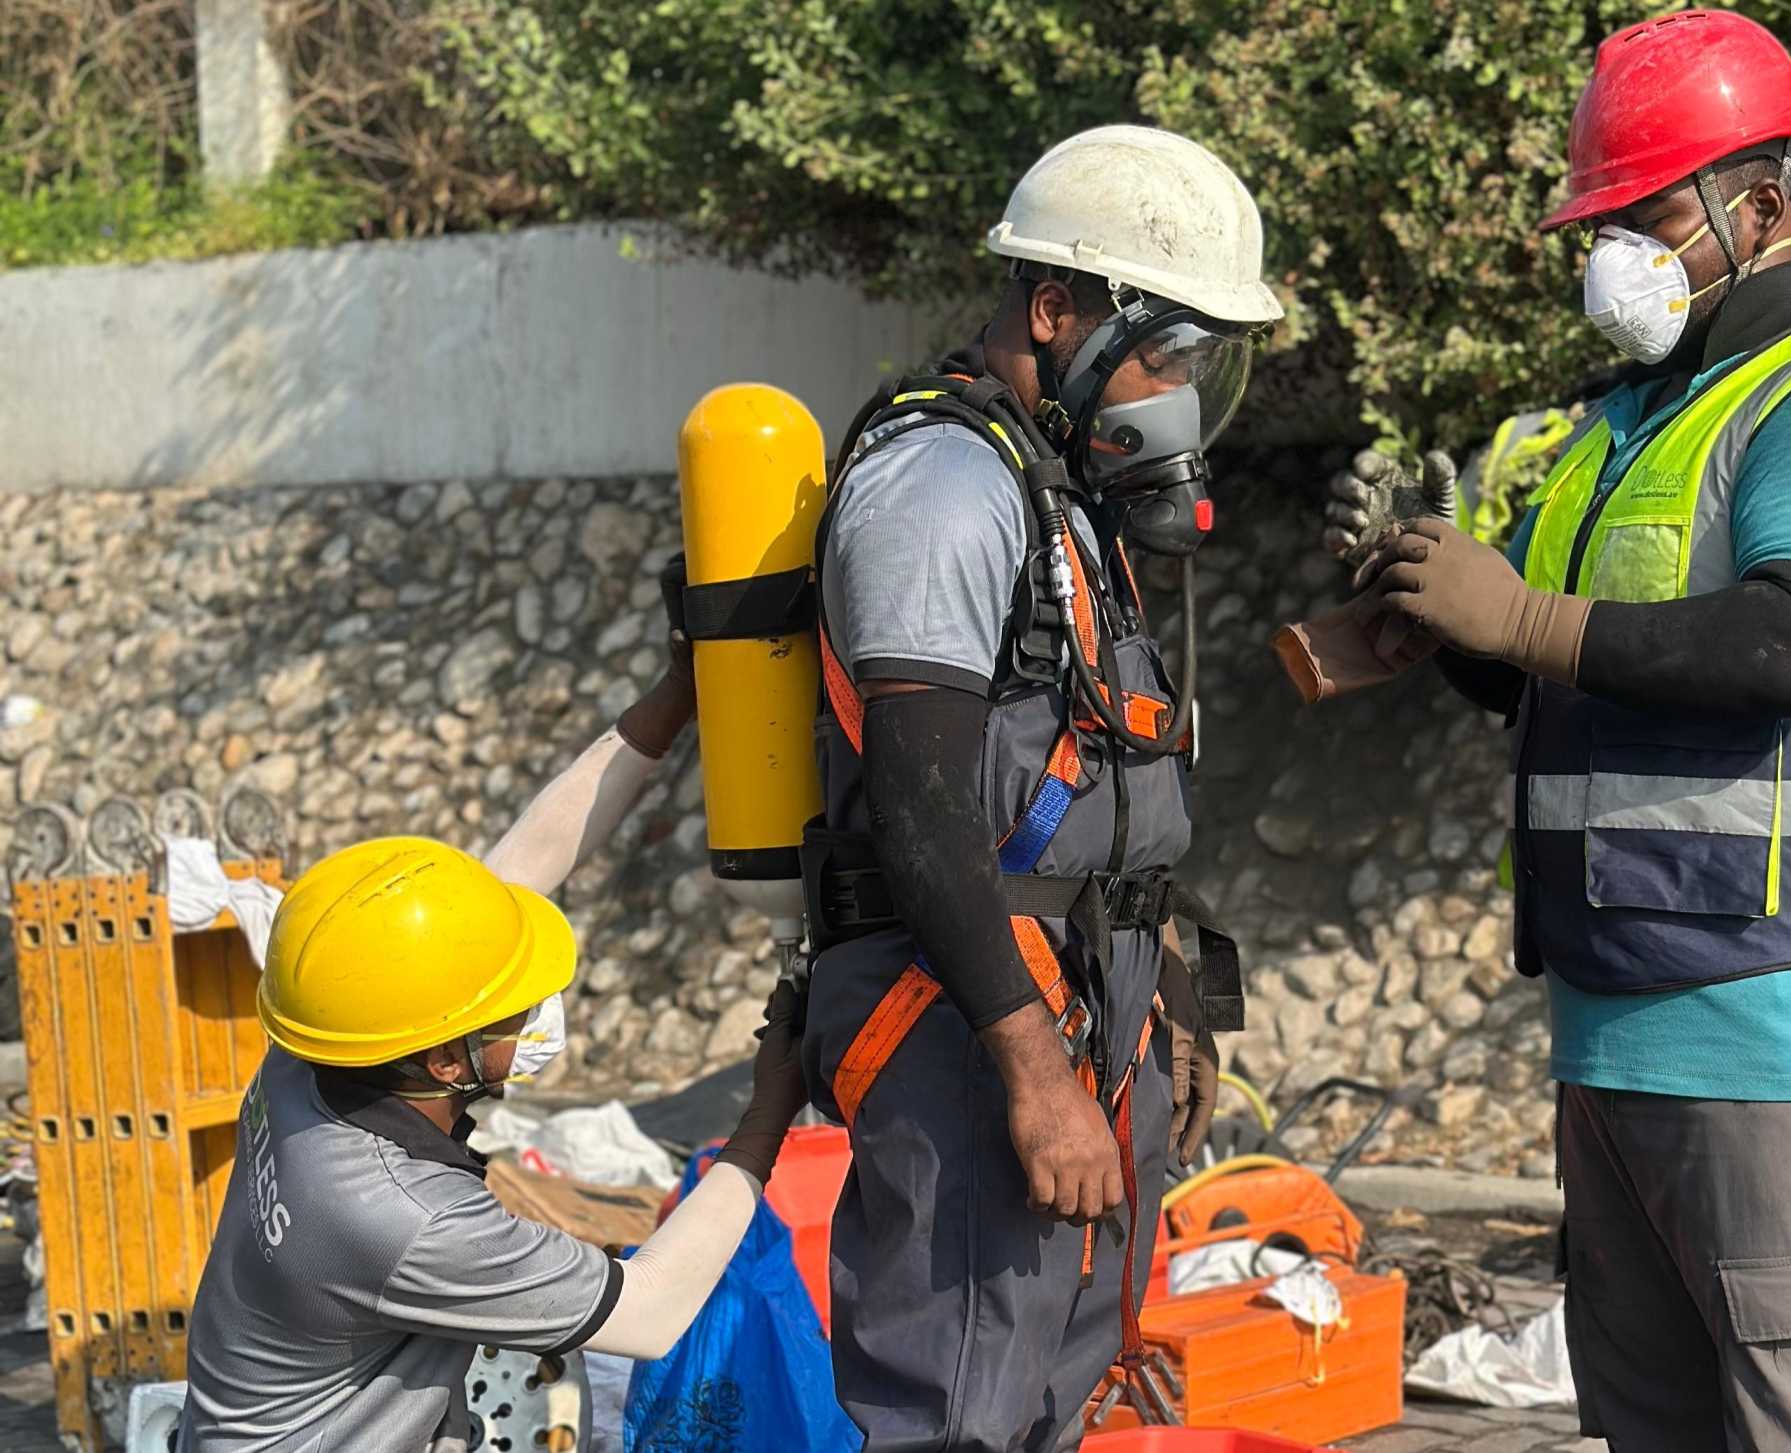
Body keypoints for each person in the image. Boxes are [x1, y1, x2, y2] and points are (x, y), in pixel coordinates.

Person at [1320, 10, 1791, 1452]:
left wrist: (1528, 620)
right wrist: (1447, 624)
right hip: (1616, 1030)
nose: (1613, 251)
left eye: (1645, 212)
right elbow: (1565, 684)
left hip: (1780, 1029)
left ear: (1764, 205)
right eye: (1601, 218)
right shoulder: (1614, 429)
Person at [799, 125, 1262, 1450]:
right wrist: (1032, 1072)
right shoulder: (942, 483)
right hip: (968, 1008)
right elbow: (924, 805)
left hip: (1081, 994)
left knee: (1063, 1378)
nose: (1178, 393)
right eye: (1167, 353)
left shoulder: (1059, 489)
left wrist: (1159, 985)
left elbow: (1089, 784)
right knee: (956, 1400)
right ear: (1057, 308)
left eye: (1197, 365)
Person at [178, 614, 807, 1452]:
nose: (535, 1006)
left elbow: (516, 869)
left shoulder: (324, 1037)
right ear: (443, 1058)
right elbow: (650, 1310)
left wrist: (676, 700)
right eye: (510, 1010)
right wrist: (768, 1111)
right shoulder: (403, 1215)